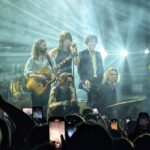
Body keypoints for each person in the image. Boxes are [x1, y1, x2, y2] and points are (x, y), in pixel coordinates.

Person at [24, 38, 53, 120]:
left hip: (46, 85)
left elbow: (54, 70)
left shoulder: (50, 58)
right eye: (43, 45)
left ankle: (44, 125)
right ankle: (37, 124)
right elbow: (26, 72)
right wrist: (38, 76)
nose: (46, 46)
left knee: (45, 106)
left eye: (46, 45)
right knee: (37, 107)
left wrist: (57, 71)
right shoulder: (32, 59)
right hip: (35, 86)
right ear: (38, 47)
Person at [77, 35, 104, 106]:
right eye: (91, 41)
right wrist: (85, 80)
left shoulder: (99, 54)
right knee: (91, 102)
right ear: (87, 43)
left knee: (99, 102)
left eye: (95, 41)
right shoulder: (82, 53)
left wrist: (101, 79)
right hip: (87, 81)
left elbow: (101, 68)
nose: (93, 43)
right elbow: (80, 70)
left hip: (97, 81)